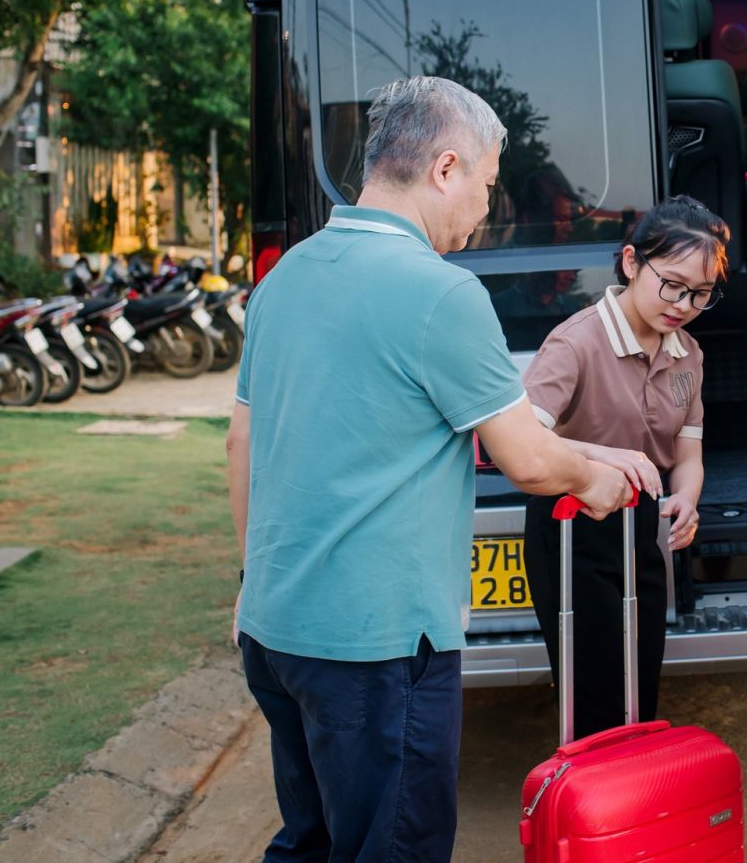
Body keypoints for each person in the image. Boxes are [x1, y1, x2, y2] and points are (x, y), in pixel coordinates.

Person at [226, 76, 631, 863]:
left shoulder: (283, 282)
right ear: (445, 168)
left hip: (276, 629)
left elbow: (241, 444)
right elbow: (527, 457)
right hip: (378, 646)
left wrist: (253, 577)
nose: (487, 211)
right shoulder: (443, 295)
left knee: (310, 842)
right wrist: (595, 480)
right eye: (484, 185)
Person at [521, 195, 729, 737]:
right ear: (633, 261)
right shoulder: (576, 340)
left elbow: (688, 453)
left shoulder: (689, 354)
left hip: (640, 529)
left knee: (641, 690)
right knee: (595, 700)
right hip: (571, 526)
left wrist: (686, 497)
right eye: (673, 285)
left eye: (700, 295)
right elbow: (522, 437)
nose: (683, 304)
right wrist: (601, 455)